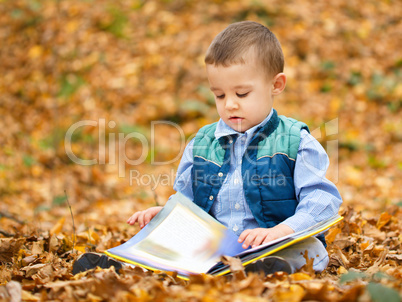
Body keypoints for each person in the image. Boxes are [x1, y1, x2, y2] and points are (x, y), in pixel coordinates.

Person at [74, 21, 342, 276]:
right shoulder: (202, 143)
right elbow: (188, 202)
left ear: (276, 85)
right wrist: (168, 215)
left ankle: (262, 270)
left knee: (311, 251)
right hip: (213, 249)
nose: (230, 105)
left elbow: (322, 201)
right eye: (220, 95)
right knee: (171, 245)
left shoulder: (296, 141)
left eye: (242, 94)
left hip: (274, 245)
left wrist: (281, 231)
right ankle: (122, 266)